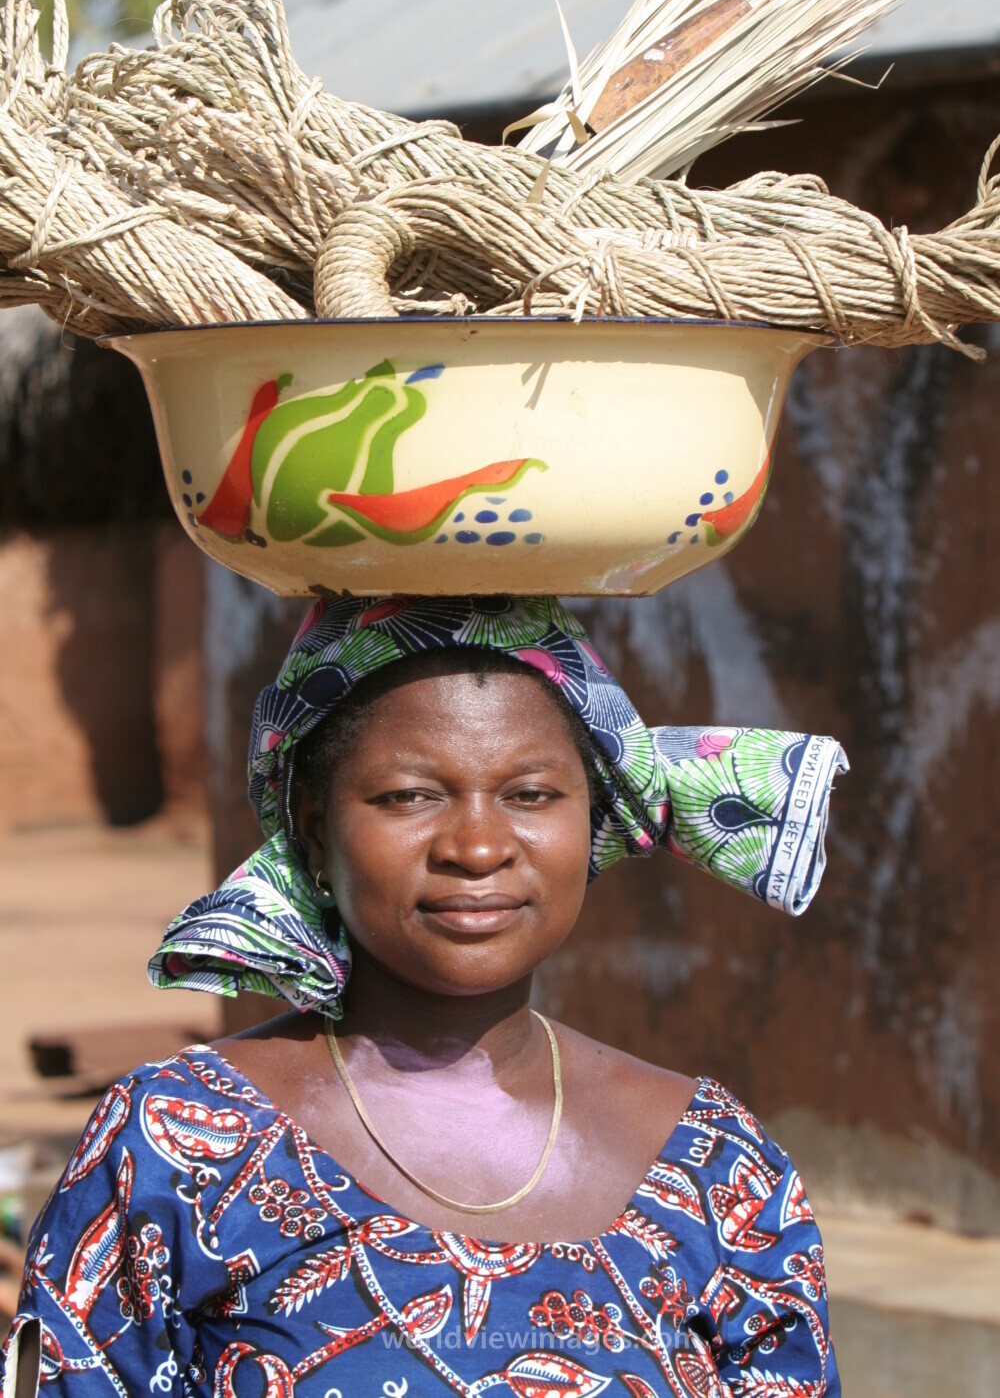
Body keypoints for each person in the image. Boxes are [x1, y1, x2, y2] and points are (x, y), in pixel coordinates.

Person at [3, 595, 846, 1396]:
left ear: (593, 819)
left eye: (531, 794)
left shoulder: (717, 1168)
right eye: (409, 796)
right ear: (310, 826)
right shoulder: (178, 1148)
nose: (478, 847)